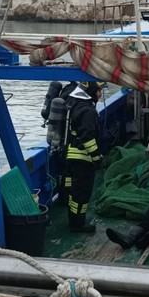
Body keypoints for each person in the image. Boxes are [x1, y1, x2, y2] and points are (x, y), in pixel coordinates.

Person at [64, 80, 105, 233]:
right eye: (99, 91)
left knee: (74, 192)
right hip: (82, 159)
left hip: (72, 156)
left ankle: (74, 219)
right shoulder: (87, 111)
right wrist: (97, 159)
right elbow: (88, 138)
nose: (100, 94)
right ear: (91, 92)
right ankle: (78, 224)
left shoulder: (75, 105)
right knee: (81, 193)